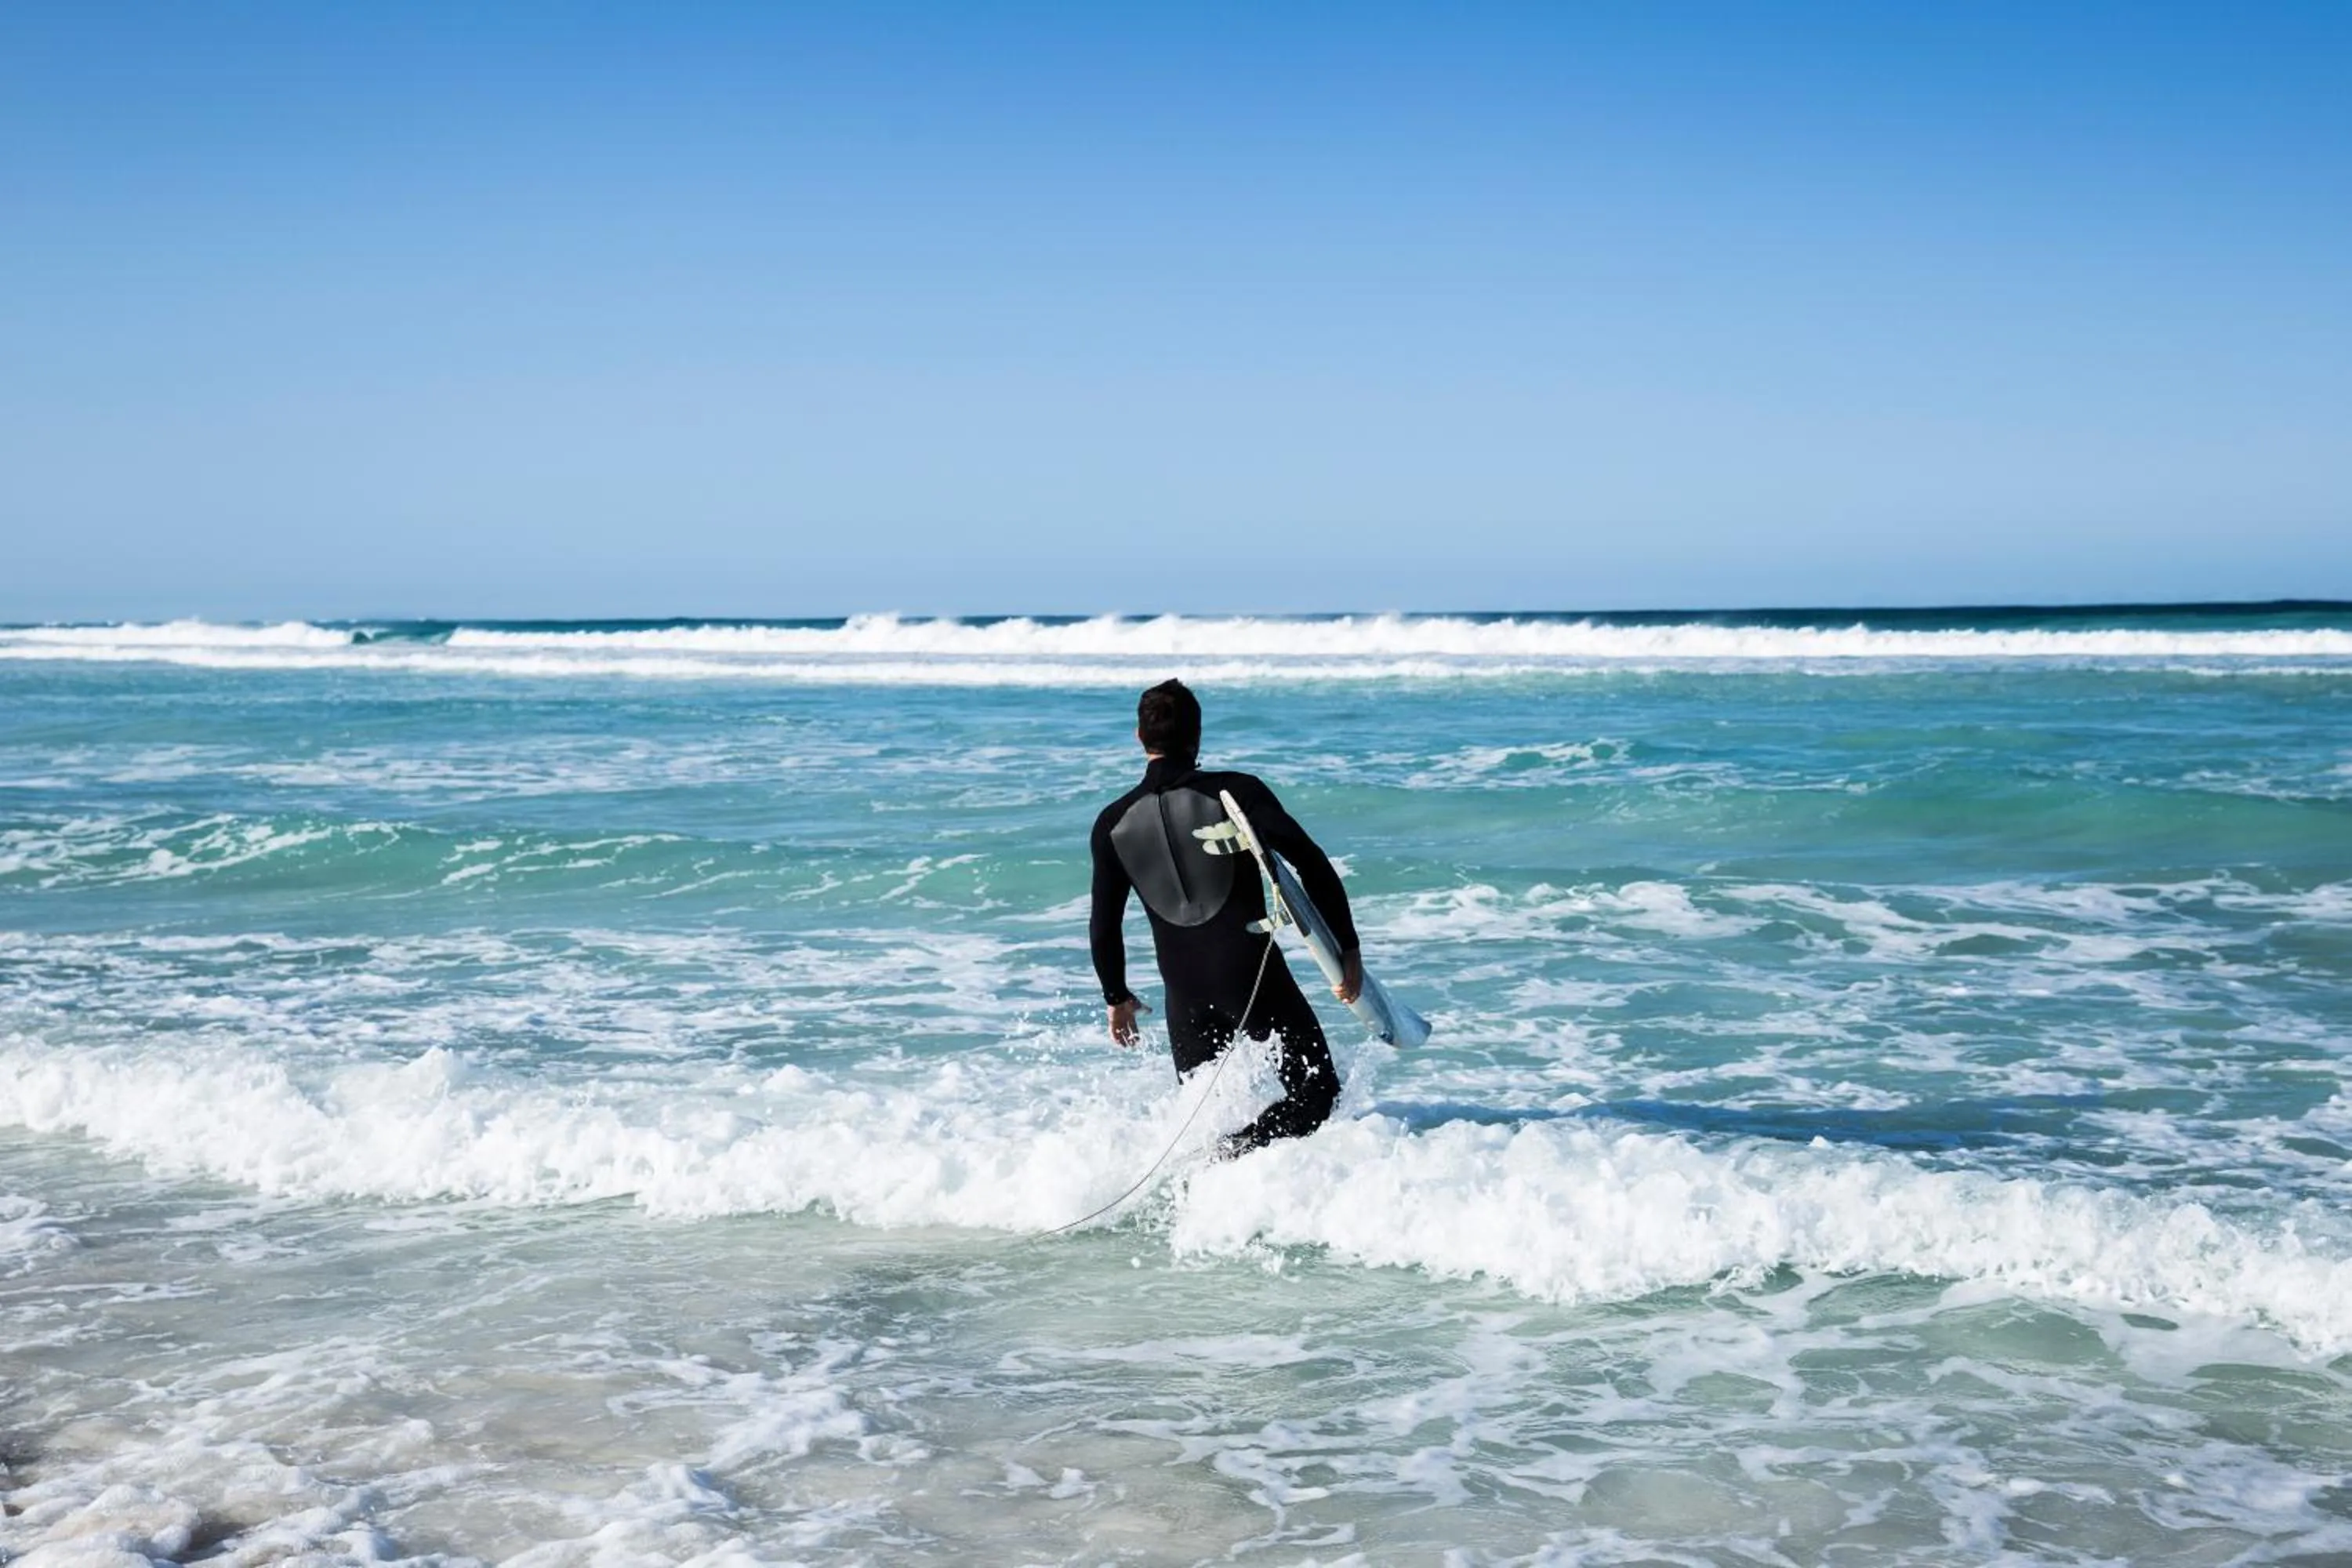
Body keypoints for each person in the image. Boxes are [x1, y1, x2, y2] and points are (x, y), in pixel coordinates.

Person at [1088, 679, 1362, 1152]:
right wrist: (1348, 952)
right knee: (1316, 1097)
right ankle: (1237, 1158)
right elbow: (1309, 862)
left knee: (1205, 1120)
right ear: (1197, 734)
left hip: (1183, 992)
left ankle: (1213, 1185)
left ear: (1139, 737)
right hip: (1252, 977)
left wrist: (1117, 996)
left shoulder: (1112, 822)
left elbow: (1104, 923)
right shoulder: (1236, 793)